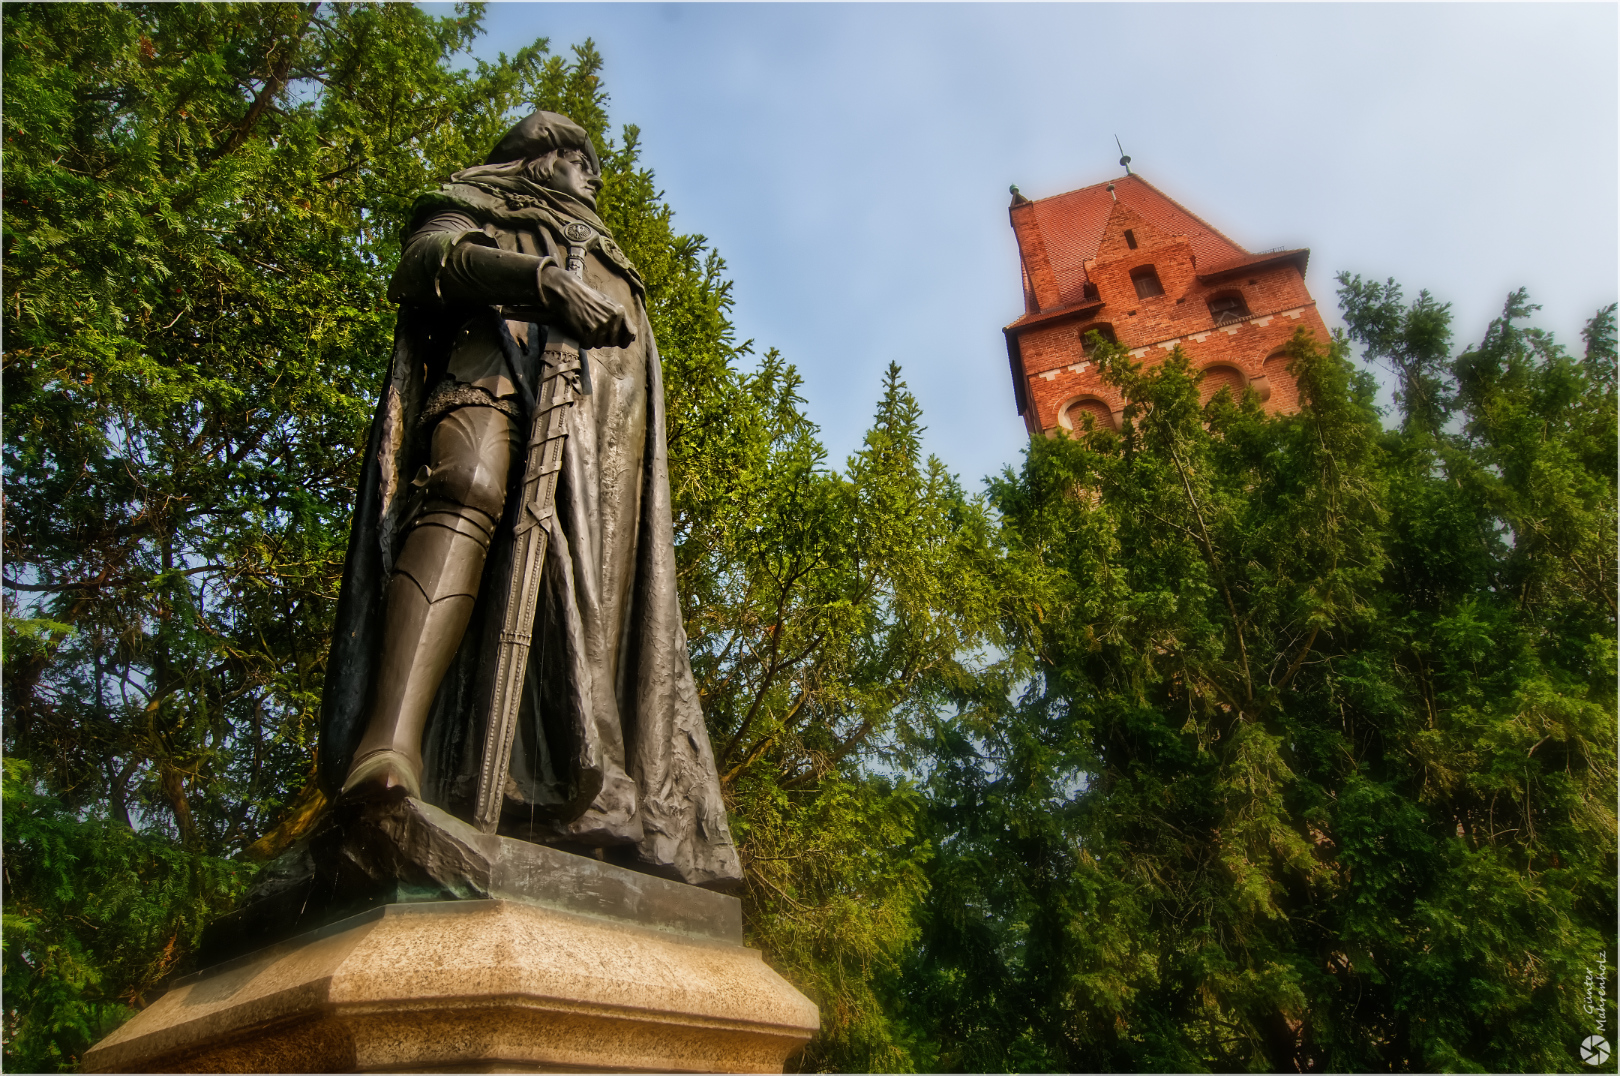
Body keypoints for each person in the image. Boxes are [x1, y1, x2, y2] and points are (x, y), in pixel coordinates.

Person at [317, 112, 742, 889]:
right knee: (462, 491)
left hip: (595, 447)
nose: (597, 180)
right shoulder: (481, 199)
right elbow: (423, 264)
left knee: (588, 613)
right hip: (494, 371)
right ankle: (389, 747)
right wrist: (541, 284)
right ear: (543, 160)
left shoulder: (611, 252)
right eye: (585, 164)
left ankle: (575, 794)